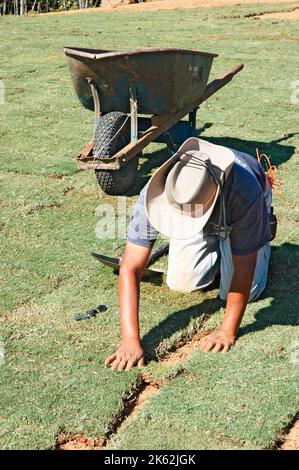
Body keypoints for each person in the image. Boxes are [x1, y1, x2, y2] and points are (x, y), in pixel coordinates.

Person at [105, 137, 273, 371]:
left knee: (243, 291)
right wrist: (130, 340)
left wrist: (227, 331)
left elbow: (244, 266)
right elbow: (130, 267)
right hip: (204, 207)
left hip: (242, 206)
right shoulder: (155, 193)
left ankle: (258, 242)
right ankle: (218, 243)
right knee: (181, 282)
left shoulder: (245, 191)